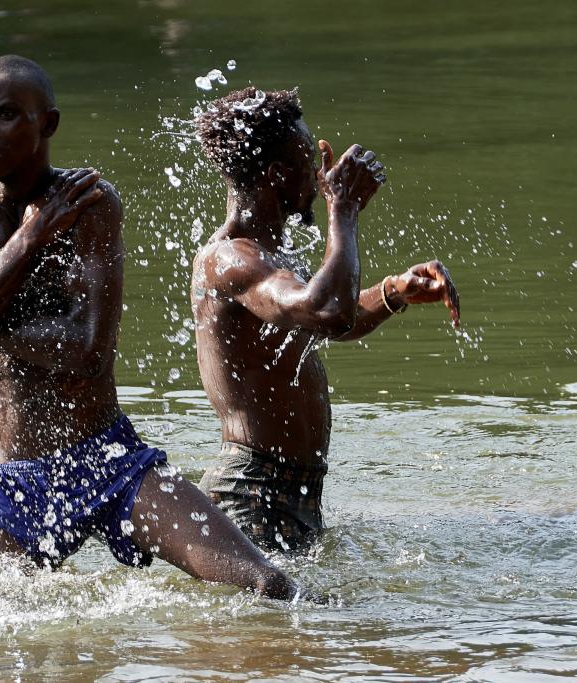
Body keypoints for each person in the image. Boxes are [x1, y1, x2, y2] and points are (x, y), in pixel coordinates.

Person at [0, 56, 299, 599]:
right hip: (8, 477)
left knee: (267, 585)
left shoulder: (89, 205)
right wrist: (28, 241)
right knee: (0, 648)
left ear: (46, 123)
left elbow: (86, 353)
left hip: (105, 458)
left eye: (3, 115)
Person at [192, 87, 460, 552]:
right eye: (307, 165)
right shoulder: (230, 258)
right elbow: (329, 312)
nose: (321, 178)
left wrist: (394, 291)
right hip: (251, 496)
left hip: (287, 492)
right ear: (277, 175)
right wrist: (344, 211)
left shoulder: (268, 255)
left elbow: (329, 319)